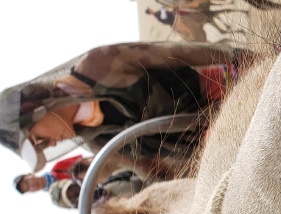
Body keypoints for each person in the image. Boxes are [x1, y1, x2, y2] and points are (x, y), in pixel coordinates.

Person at [0, 41, 244, 176]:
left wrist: (236, 57)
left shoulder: (97, 64)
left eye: (40, 140)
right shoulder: (98, 143)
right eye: (44, 148)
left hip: (228, 90)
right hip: (225, 147)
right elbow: (151, 168)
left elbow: (175, 53)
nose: (51, 145)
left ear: (34, 109)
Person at [12, 150, 88, 193]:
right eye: (28, 189)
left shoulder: (58, 167)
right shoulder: (59, 197)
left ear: (30, 174)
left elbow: (87, 160)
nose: (32, 186)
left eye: (27, 182)